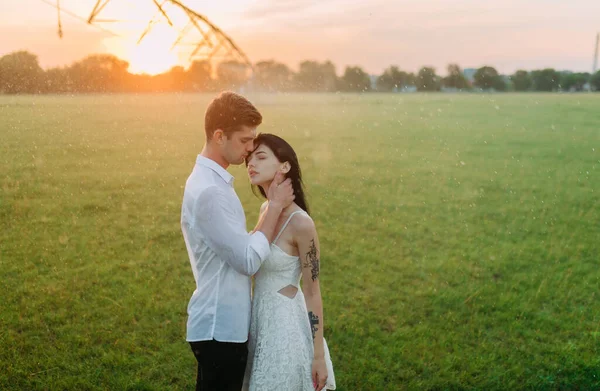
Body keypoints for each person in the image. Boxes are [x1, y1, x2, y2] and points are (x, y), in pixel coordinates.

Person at [180, 92, 295, 391]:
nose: (250, 148)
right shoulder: (210, 191)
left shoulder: (212, 182)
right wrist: (275, 206)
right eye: (245, 140)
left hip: (219, 327)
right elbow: (247, 260)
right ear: (219, 136)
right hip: (221, 330)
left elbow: (240, 245)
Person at [243, 133, 336, 391]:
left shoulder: (301, 224)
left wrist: (318, 356)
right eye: (249, 158)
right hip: (259, 320)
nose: (251, 163)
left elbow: (313, 291)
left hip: (284, 329)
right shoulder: (267, 210)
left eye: (261, 157)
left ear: (285, 166)